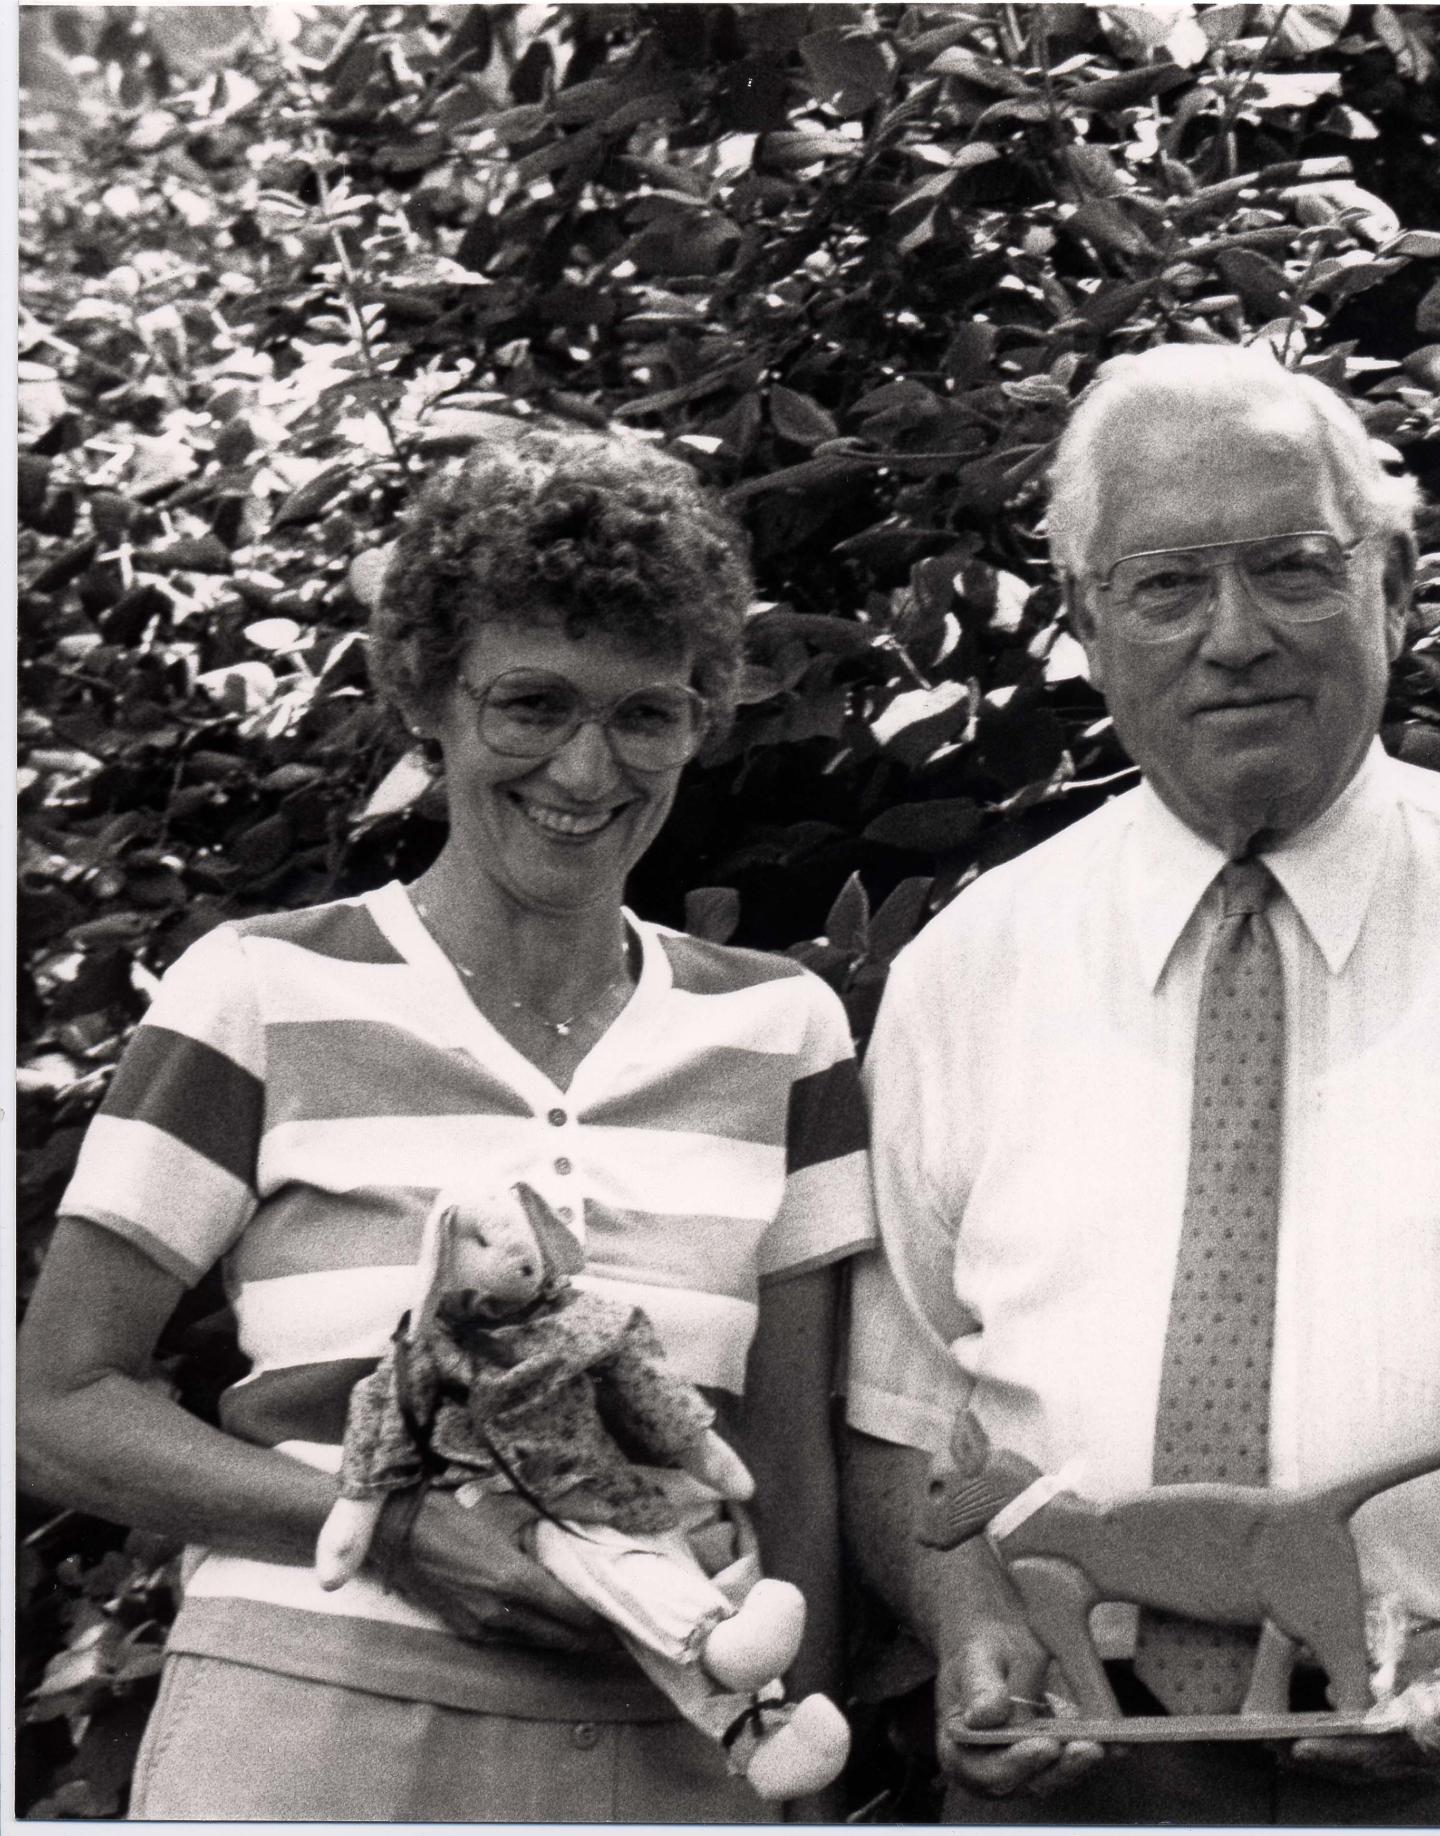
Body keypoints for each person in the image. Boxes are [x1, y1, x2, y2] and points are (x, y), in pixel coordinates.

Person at [841, 342, 1440, 1824]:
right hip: (1080, 1787)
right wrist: (976, 1630)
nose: (1234, 636)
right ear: (1089, 629)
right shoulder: (965, 970)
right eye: (1167, 587)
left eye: (1293, 568)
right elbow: (895, 1429)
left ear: (1398, 588)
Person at [17, 429, 871, 1820]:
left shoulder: (783, 1031)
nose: (587, 771)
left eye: (645, 713)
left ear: (704, 716)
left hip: (665, 1752)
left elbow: (792, 1473)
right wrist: (401, 1533)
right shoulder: (262, 988)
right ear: (429, 695)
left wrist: (781, 1772)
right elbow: (51, 1408)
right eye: (532, 704)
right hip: (309, 1736)